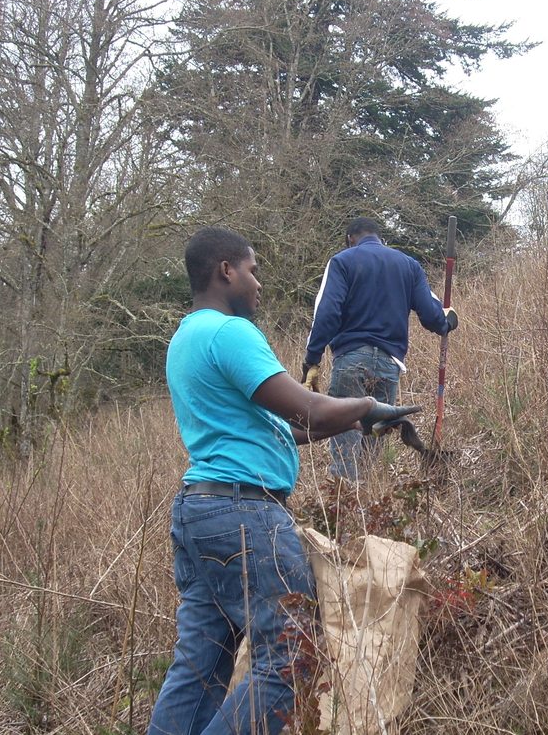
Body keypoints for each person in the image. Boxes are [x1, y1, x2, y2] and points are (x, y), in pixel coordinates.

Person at [149, 226, 419, 735]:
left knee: (199, 670)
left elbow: (282, 426)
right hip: (244, 514)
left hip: (199, 514)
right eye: (251, 271)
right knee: (292, 655)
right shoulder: (230, 333)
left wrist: (355, 420)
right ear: (225, 270)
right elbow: (311, 408)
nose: (257, 284)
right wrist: (367, 404)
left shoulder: (184, 339)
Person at [301, 216, 458, 481]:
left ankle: (344, 505)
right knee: (374, 435)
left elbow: (327, 312)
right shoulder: (409, 265)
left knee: (345, 435)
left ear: (350, 239)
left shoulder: (342, 261)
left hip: (351, 360)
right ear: (380, 237)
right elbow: (433, 316)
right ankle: (371, 507)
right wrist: (448, 321)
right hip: (389, 365)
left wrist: (312, 361)